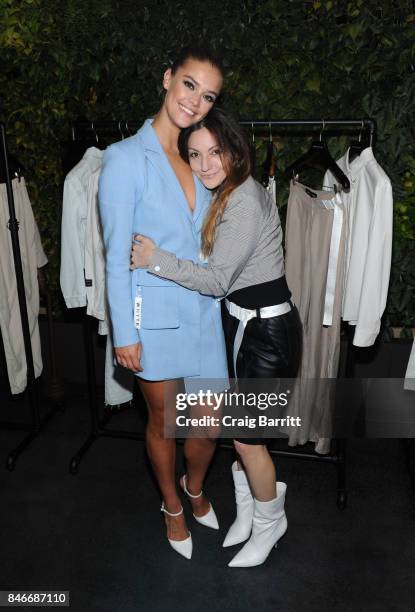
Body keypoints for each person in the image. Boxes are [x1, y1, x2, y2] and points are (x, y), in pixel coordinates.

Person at [130, 106, 303, 568]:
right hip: (243, 327)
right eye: (194, 154)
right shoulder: (223, 193)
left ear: (234, 150)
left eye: (215, 152)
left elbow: (217, 280)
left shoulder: (243, 198)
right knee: (242, 435)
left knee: (248, 439)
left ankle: (271, 522)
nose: (205, 164)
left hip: (267, 332)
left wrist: (154, 258)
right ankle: (248, 511)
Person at [98, 46, 228, 561]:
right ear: (168, 77)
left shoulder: (201, 155)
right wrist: (125, 333)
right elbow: (115, 257)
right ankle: (172, 503)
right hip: (150, 318)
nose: (195, 101)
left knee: (209, 424)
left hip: (202, 312)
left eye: (209, 95)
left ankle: (195, 486)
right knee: (163, 424)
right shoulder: (125, 158)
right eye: (190, 85)